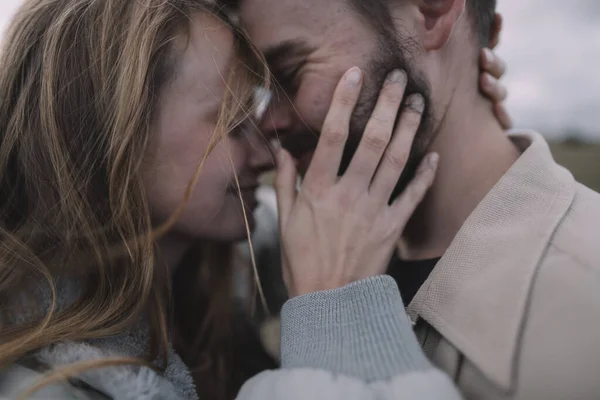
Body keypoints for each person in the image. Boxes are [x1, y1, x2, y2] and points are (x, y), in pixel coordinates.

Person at [0, 1, 507, 400]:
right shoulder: (42, 388)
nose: (268, 150)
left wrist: (460, 120)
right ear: (111, 136)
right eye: (231, 120)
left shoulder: (219, 277)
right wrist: (334, 315)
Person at [227, 0, 600, 399]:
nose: (267, 124)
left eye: (288, 73)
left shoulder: (585, 321)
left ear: (432, 13)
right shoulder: (279, 246)